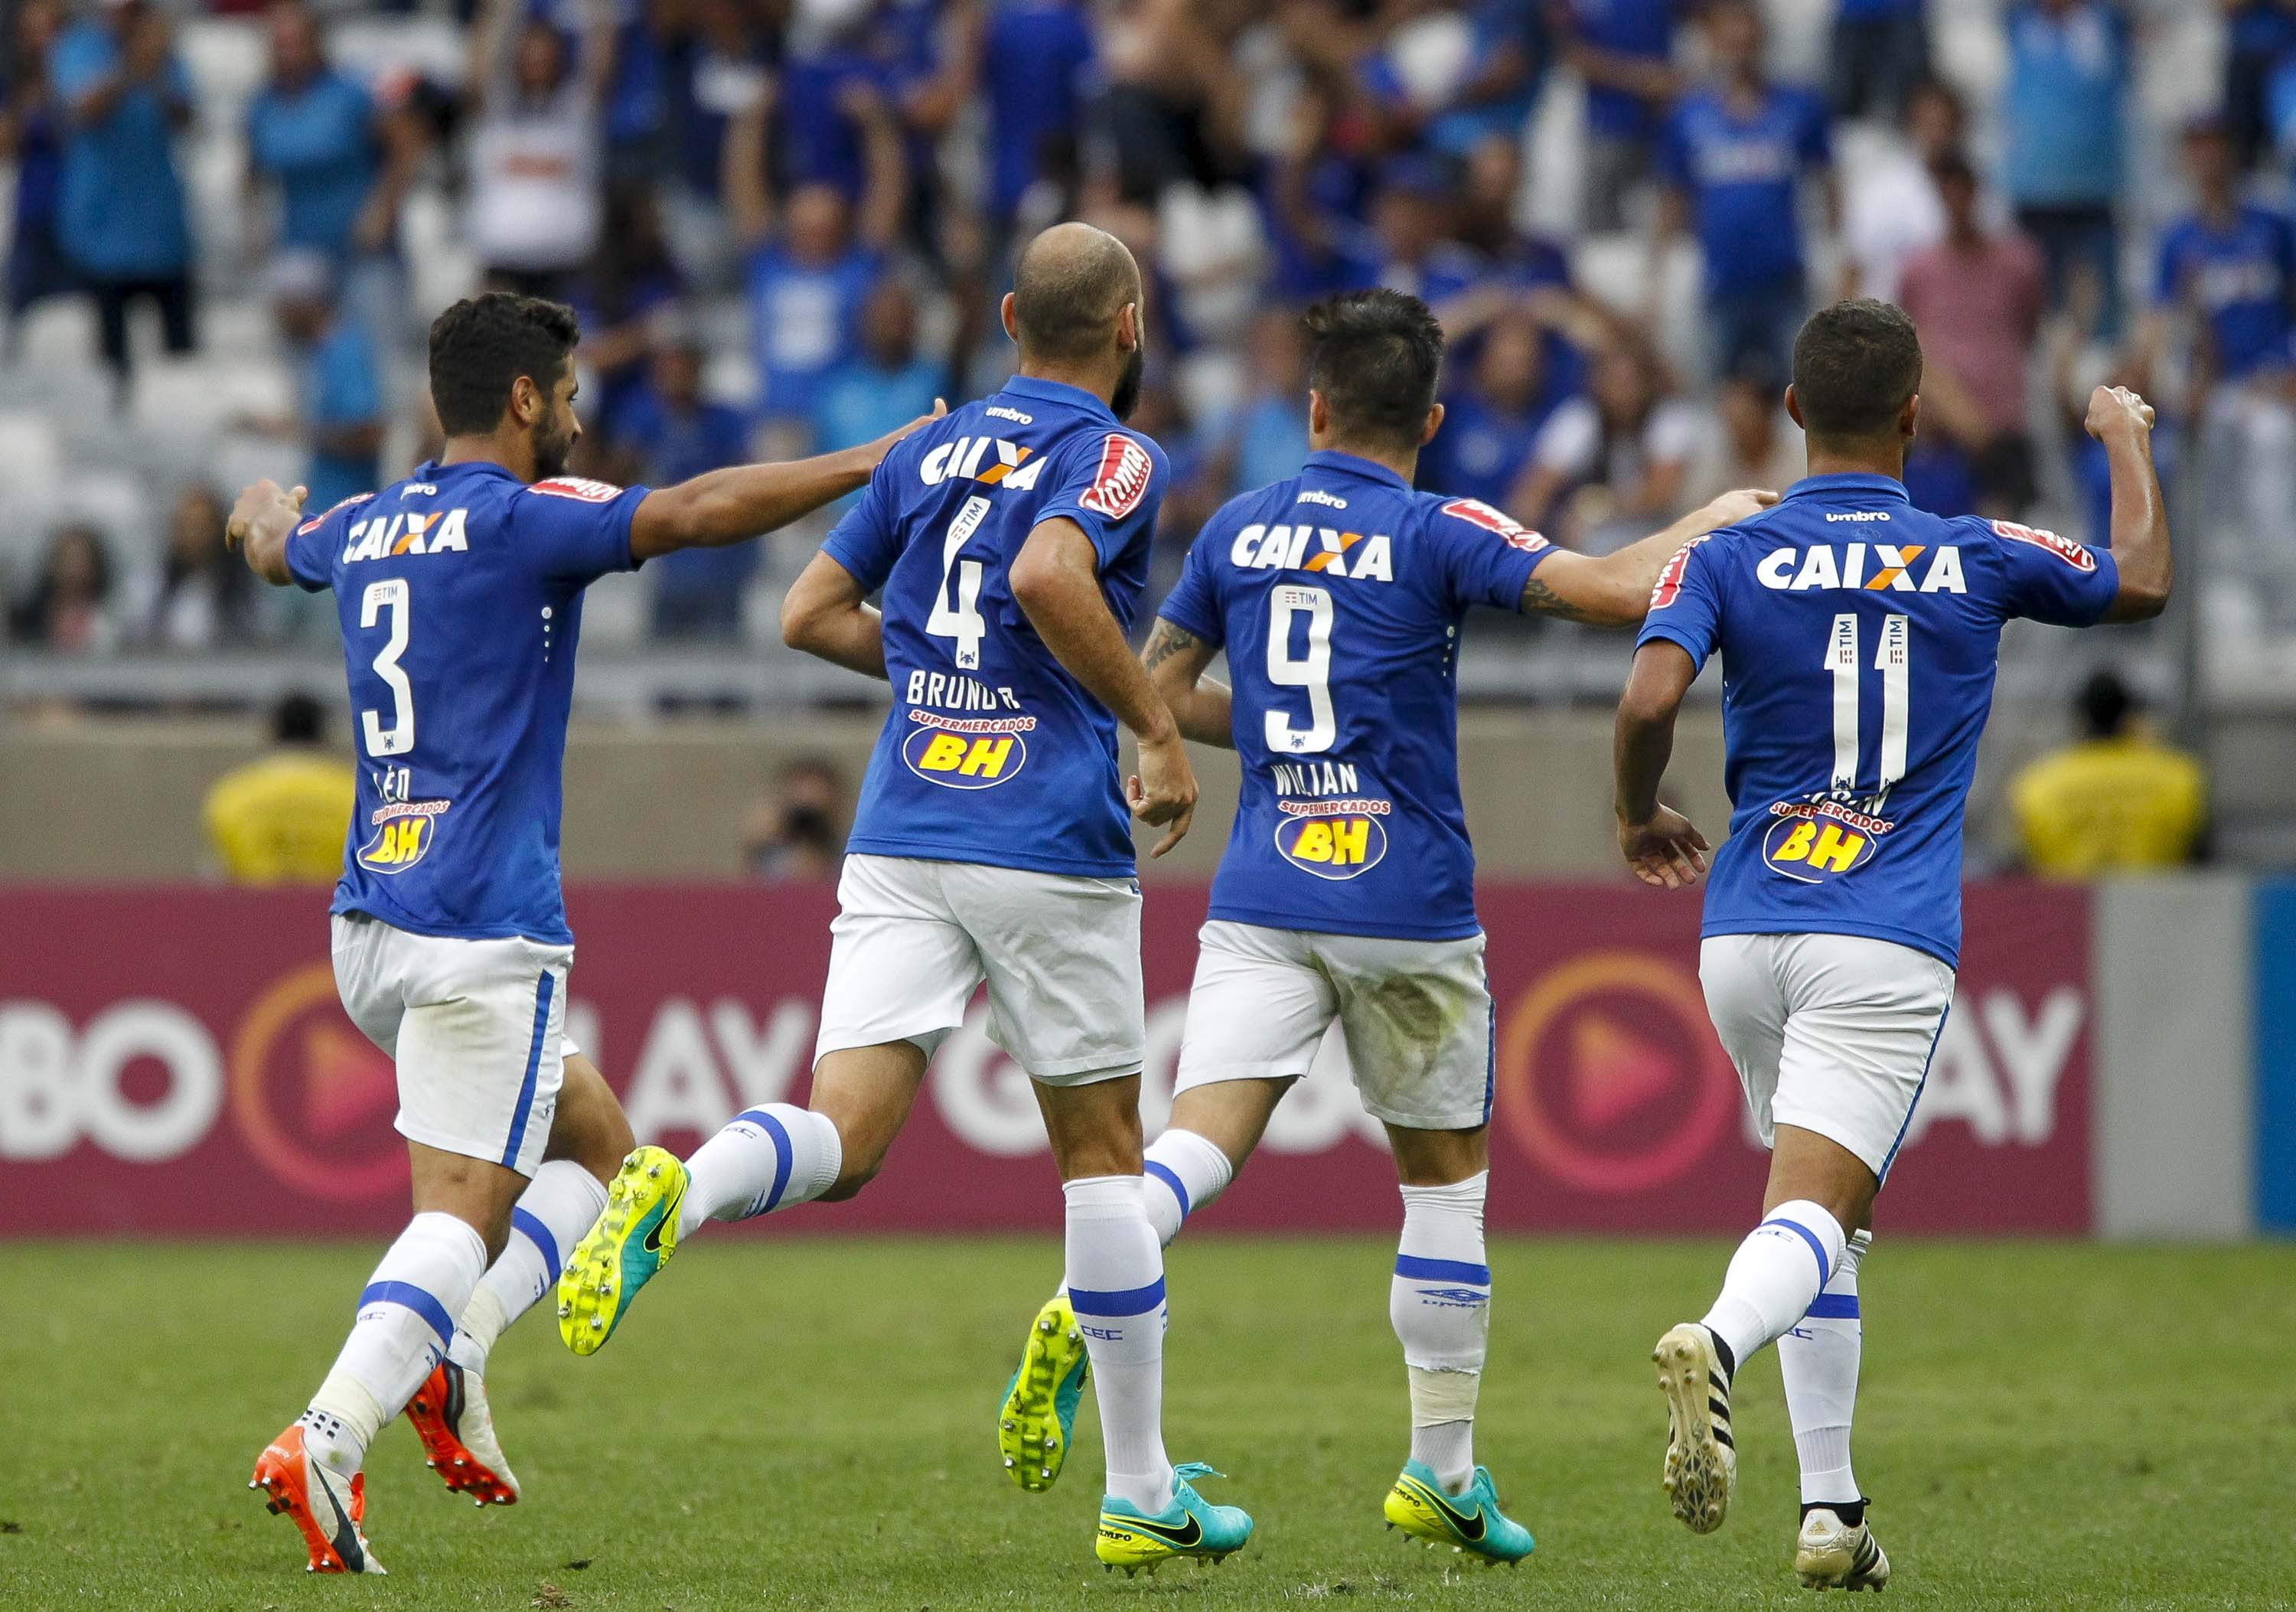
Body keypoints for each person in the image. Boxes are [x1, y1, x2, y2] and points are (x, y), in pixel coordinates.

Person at [991, 286, 1773, 1565]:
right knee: (1445, 1184)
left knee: (1194, 1144)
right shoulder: (1436, 527)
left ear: (1312, 410)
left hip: (1262, 896)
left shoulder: (1238, 530)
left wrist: (1279, 737)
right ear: (1432, 417)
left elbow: (1160, 686)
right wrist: (1710, 518)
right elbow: (1611, 588)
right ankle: (1441, 1471)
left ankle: (1104, 1282)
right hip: (1404, 902)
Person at [551, 223, 1253, 1577]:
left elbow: (808, 612)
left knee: (844, 1132)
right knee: (1106, 1155)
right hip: (1040, 830)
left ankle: (676, 1194)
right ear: (1128, 325)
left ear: (1003, 318)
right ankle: (1141, 1489)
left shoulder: (926, 447)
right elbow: (1051, 574)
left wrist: (946, 670)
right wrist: (1149, 730)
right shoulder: (1115, 451)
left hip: (902, 825)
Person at [227, 290, 938, 1575]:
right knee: (461, 1214)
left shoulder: (365, 524)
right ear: (519, 399)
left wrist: (260, 521)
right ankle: (328, 1435)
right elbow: (692, 512)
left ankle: (458, 1352)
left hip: (371, 924)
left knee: (610, 1155)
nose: (574, 416)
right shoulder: (521, 516)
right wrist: (870, 460)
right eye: (565, 395)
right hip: (479, 930)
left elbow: (280, 545)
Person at [1609, 300, 2170, 1590]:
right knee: (1813, 1212)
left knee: (1826, 1225)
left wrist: (1639, 812)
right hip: (1882, 931)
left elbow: (1647, 694)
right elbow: (2138, 581)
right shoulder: (1973, 552)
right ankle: (1715, 1339)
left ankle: (1833, 1514)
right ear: (1917, 416)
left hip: (1745, 930)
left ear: (1794, 414)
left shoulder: (1734, 548)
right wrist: (2120, 432)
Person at [1652, 0, 1836, 383]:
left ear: (1762, 42)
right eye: (1730, 42)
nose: (1739, 52)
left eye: (1747, 42)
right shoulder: (1688, 116)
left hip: (1784, 283)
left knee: (1804, 398)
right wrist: (1656, 276)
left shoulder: (1799, 107)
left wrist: (1837, 256)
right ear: (1714, 44)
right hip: (1720, 285)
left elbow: (1829, 184)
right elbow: (1673, 199)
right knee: (1713, 400)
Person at [49, 0, 196, 396]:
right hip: (102, 230)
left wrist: (158, 67)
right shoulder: (78, 47)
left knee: (181, 361)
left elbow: (184, 117)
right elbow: (85, 109)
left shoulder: (164, 52)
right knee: (111, 365)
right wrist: (133, 64)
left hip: (162, 229)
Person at [1896, 153, 2046, 514]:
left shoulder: (2018, 264)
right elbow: (1912, 346)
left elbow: (2030, 327)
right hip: (1943, 436)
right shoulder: (1918, 269)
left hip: (2003, 433)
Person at [464, 0, 614, 298]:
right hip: (503, 258)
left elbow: (600, 64)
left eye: (546, 56)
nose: (538, 64)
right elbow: (476, 73)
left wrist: (594, 14)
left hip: (567, 262)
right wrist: (500, 9)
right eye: (530, 57)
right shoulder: (497, 110)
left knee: (564, 342)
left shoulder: (576, 109)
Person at [2000, 0, 2128, 334]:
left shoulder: (2105, 24)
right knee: (2040, 309)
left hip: (2095, 193)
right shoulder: (2022, 24)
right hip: (2034, 193)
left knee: (2102, 312)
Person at [2010, 671, 2205, 876]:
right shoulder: (2180, 776)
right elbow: (2202, 865)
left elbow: (2024, 871)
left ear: (2081, 719)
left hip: (2068, 906)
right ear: (2129, 717)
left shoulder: (2037, 784)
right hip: (2160, 904)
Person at [203, 692, 357, 885]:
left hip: (254, 910)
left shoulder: (231, 794)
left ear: (273, 732)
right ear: (323, 733)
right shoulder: (352, 793)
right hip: (330, 908)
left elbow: (219, 879)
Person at [742, 755, 848, 879]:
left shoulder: (853, 859)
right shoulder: (769, 859)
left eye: (816, 814)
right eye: (800, 812)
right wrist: (755, 847)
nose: (808, 825)